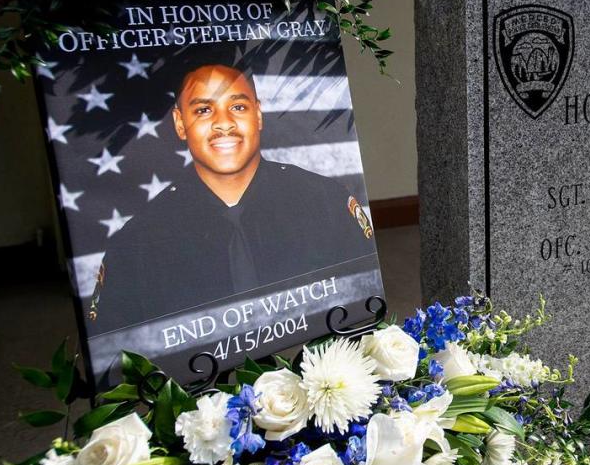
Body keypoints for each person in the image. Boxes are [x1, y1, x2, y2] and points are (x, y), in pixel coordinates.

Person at [89, 63, 376, 333]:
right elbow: (118, 357)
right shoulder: (136, 243)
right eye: (203, 110)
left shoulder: (327, 202)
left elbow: (366, 304)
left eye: (238, 107)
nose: (223, 123)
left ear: (258, 115)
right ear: (179, 122)